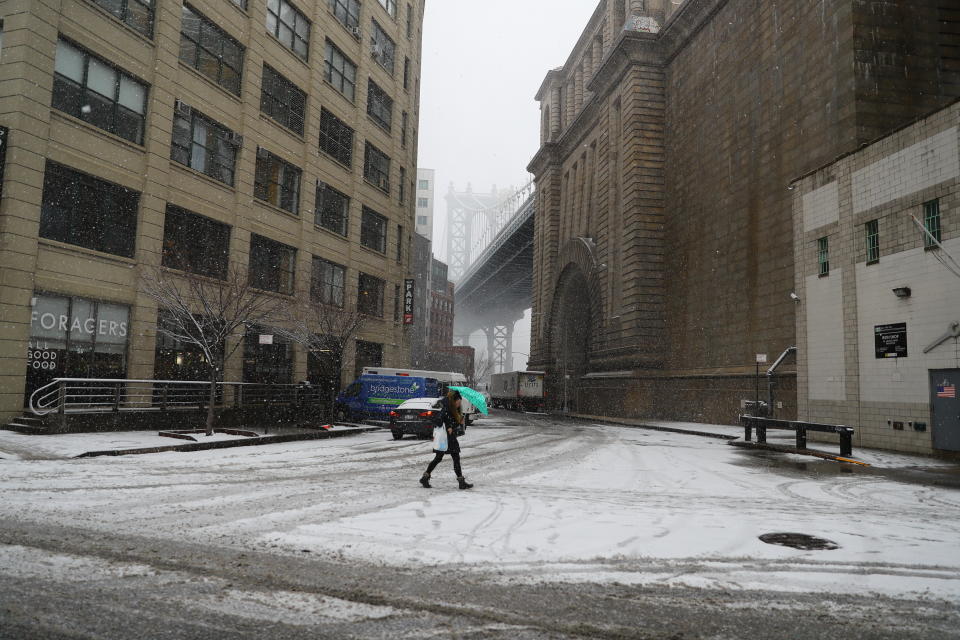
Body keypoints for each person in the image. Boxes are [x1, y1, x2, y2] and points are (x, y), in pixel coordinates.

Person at [420, 390, 473, 490]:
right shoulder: (447, 409)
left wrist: (459, 421)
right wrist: (449, 426)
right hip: (446, 439)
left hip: (450, 438)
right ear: (454, 401)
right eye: (458, 402)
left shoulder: (454, 410)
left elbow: (453, 423)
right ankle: (460, 482)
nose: (459, 404)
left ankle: (425, 477)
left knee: (447, 458)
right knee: (447, 458)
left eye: (460, 402)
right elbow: (439, 420)